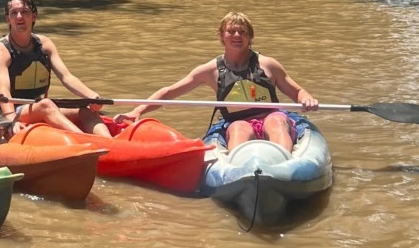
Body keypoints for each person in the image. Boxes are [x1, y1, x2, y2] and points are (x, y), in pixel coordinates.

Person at [115, 11, 318, 151]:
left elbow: (297, 92)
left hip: (270, 117)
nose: (237, 35)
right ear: (222, 36)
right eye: (231, 31)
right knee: (239, 128)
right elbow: (169, 92)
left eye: (242, 32)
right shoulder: (210, 70)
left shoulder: (268, 65)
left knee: (276, 121)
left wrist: (307, 98)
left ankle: (282, 162)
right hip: (237, 122)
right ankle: (240, 170)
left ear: (250, 37)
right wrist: (137, 111)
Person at [0, 0, 110, 136]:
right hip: (14, 111)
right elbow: (3, 89)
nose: (19, 17)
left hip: (40, 107)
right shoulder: (1, 50)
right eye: (14, 13)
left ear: (34, 16)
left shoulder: (45, 44)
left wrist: (92, 96)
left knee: (86, 110)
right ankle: (88, 142)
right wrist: (10, 118)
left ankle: (110, 145)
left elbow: (66, 77)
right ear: (8, 19)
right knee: (46, 104)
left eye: (25, 12)